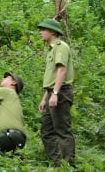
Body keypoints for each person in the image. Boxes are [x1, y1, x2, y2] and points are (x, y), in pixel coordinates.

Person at [37, 18, 75, 167]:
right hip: (52, 93)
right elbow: (52, 78)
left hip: (60, 93)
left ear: (52, 31)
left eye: (43, 29)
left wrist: (55, 93)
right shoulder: (52, 49)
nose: (40, 32)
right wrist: (45, 97)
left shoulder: (61, 47)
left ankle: (68, 166)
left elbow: (62, 71)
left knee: (62, 131)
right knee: (47, 131)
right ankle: (59, 163)